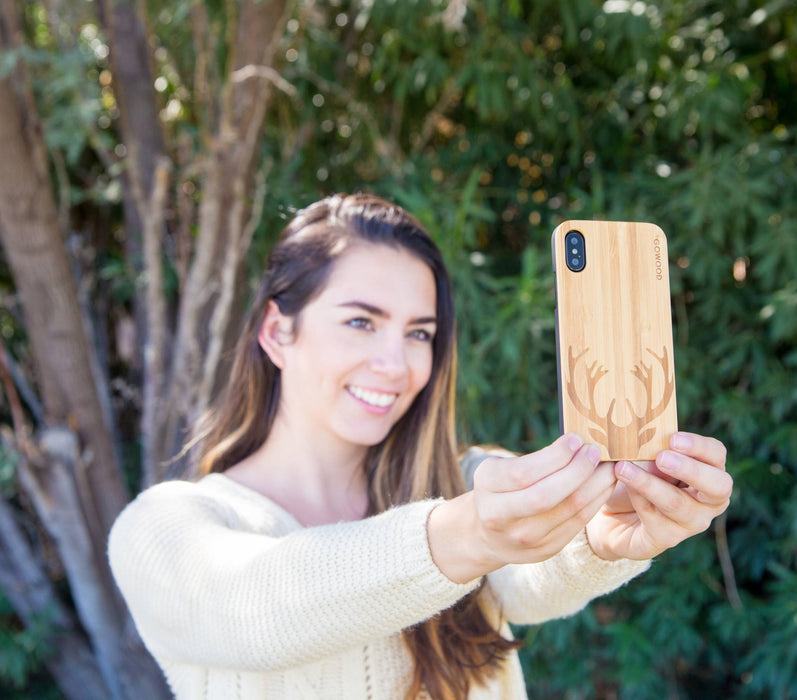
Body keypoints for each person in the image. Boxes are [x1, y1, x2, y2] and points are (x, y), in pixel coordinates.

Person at [108, 193, 732, 700]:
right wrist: (468, 536)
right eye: (361, 321)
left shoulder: (467, 478)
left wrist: (602, 539)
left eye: (419, 333)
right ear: (278, 331)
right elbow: (254, 607)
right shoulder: (161, 530)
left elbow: (533, 583)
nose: (395, 362)